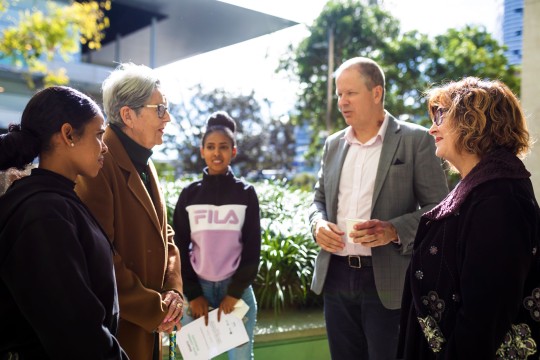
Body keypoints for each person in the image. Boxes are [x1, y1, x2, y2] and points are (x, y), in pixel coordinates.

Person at [308, 57, 449, 360]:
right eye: (339, 94)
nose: (342, 101)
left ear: (376, 93)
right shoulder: (332, 144)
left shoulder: (415, 140)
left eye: (350, 93)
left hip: (388, 281)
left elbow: (440, 207)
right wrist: (317, 225)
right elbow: (317, 199)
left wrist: (394, 230)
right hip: (335, 278)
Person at [398, 77, 540, 359]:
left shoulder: (498, 197)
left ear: (473, 120)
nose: (431, 128)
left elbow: (484, 317)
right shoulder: (484, 187)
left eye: (441, 115)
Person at [0, 86, 128, 359]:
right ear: (68, 134)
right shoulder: (43, 212)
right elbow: (76, 332)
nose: (104, 146)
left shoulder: (57, 200)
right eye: (98, 135)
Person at [75, 63, 184, 360]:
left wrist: (173, 292)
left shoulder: (146, 161)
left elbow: (166, 233)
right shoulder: (98, 162)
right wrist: (155, 309)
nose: (169, 117)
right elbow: (99, 256)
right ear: (128, 115)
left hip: (150, 325)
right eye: (160, 109)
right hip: (118, 332)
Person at [173, 111, 261, 360]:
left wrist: (233, 293)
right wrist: (193, 293)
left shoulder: (245, 193)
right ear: (202, 151)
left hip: (237, 291)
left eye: (223, 147)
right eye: (210, 147)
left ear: (233, 151)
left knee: (241, 358)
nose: (216, 153)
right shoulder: (189, 195)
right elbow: (178, 247)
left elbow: (253, 247)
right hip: (197, 290)